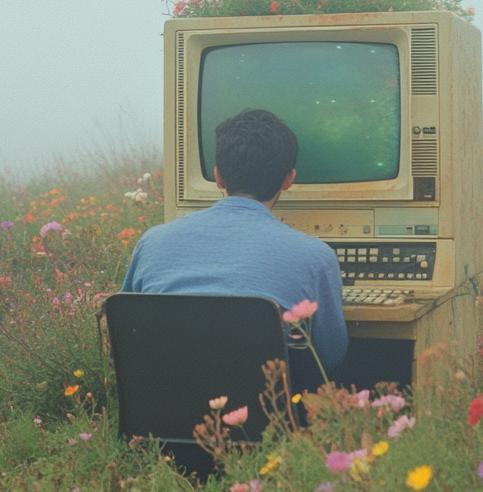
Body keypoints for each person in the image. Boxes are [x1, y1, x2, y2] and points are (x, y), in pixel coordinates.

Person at [121, 108, 348, 371]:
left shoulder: (151, 242)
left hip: (161, 410)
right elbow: (330, 357)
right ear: (288, 179)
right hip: (266, 412)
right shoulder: (317, 257)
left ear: (218, 176)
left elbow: (127, 335)